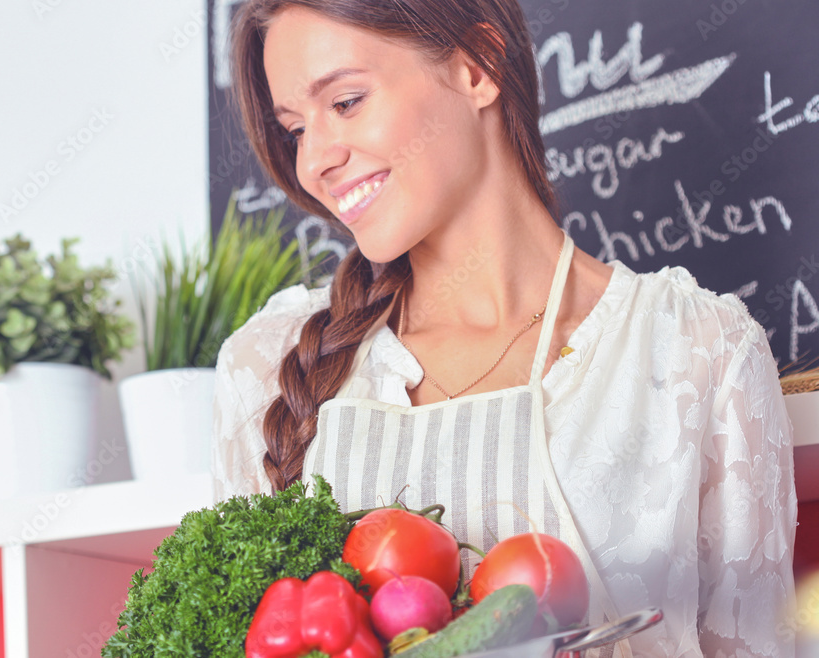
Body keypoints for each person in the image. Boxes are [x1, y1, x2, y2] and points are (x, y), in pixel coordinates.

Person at [210, 1, 798, 656]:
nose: (313, 159)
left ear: (476, 66)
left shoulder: (698, 353)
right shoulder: (267, 366)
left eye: (345, 102)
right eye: (294, 130)